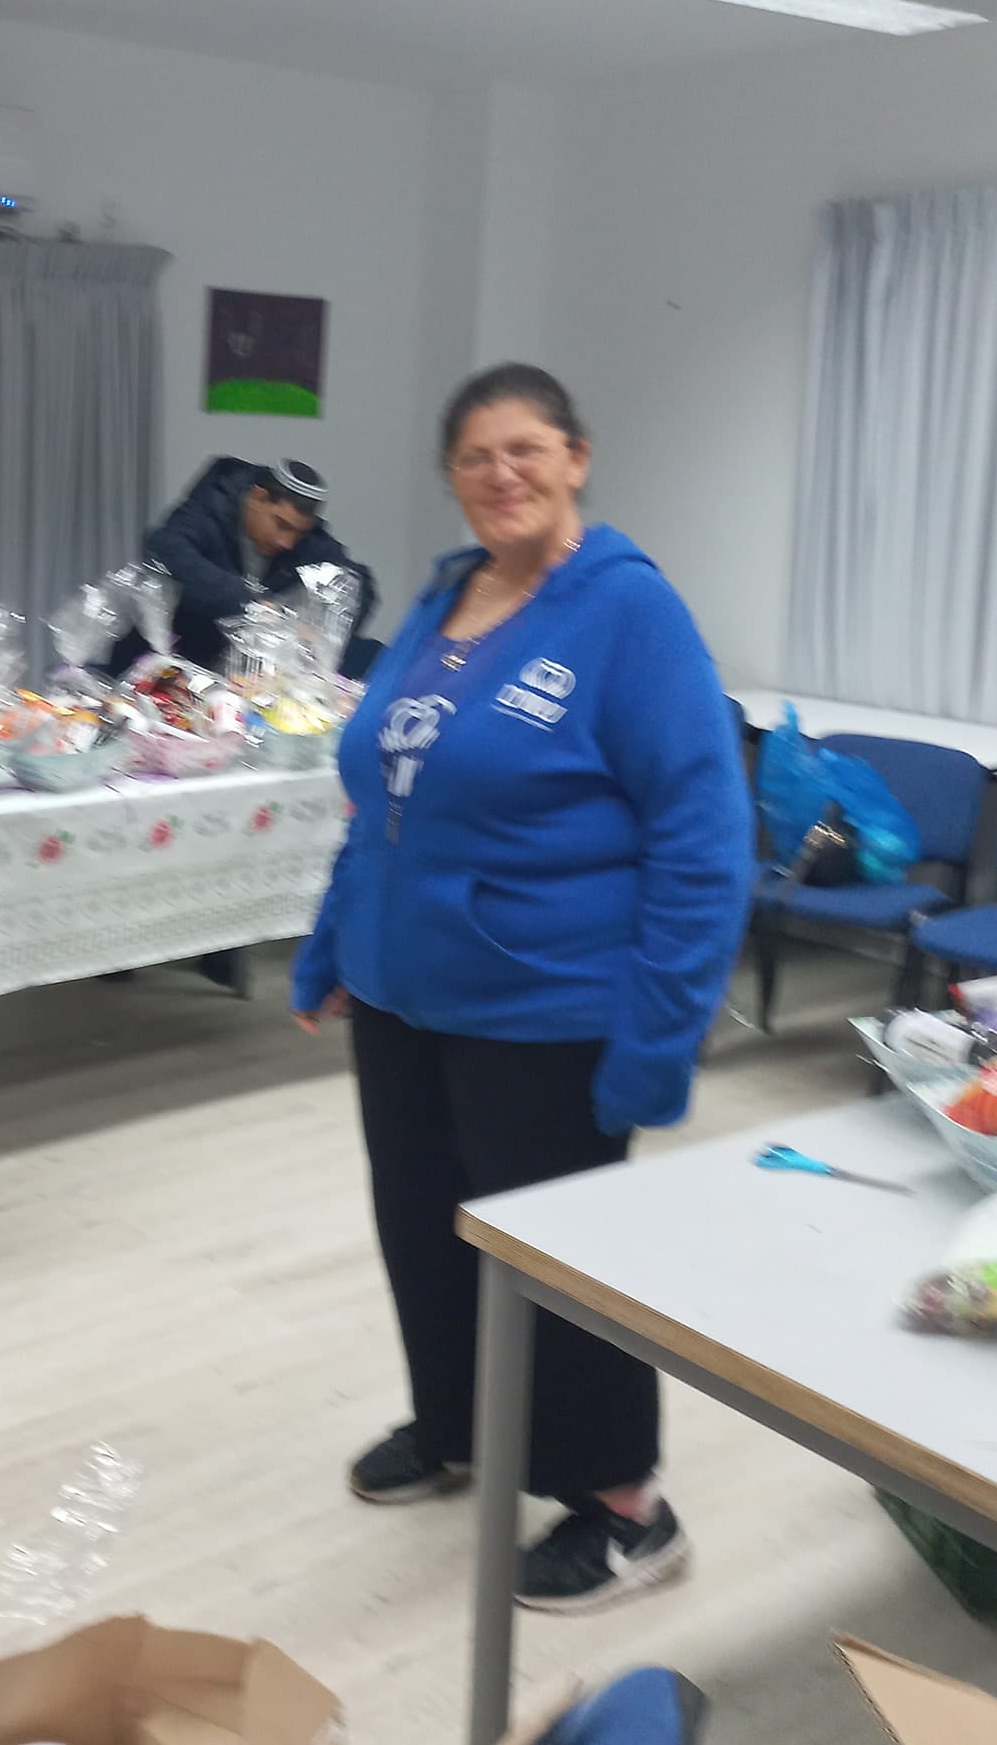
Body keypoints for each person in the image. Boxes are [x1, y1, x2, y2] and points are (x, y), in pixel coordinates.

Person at [292, 364, 751, 1614]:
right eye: (474, 456)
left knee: (565, 1260)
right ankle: (457, 1422)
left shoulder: (627, 612)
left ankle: (624, 1508)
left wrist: (657, 1040)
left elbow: (704, 839)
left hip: (546, 1008)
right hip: (402, 999)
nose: (500, 474)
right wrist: (331, 944)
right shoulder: (445, 596)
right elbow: (380, 801)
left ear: (574, 458)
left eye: (525, 449)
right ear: (450, 477)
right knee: (422, 1226)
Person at [114, 457, 376, 674]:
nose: (287, 542)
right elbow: (166, 548)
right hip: (169, 661)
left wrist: (322, 630)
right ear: (258, 497)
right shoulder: (210, 508)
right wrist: (251, 605)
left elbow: (357, 583)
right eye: (281, 525)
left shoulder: (307, 540)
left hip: (243, 678)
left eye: (298, 532)